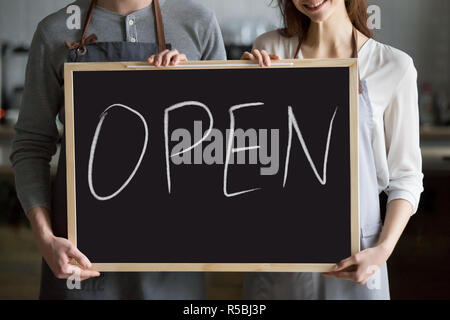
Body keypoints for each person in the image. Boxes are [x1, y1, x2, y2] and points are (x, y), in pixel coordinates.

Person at [10, 0, 226, 299]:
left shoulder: (198, 22)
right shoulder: (54, 30)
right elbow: (31, 145)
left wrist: (192, 92)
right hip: (80, 257)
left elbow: (222, 146)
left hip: (172, 261)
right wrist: (45, 238)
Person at [242, 0, 423, 299]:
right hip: (279, 252)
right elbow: (249, 155)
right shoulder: (270, 48)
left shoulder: (393, 66)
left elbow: (406, 178)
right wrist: (239, 88)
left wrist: (381, 251)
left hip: (356, 258)